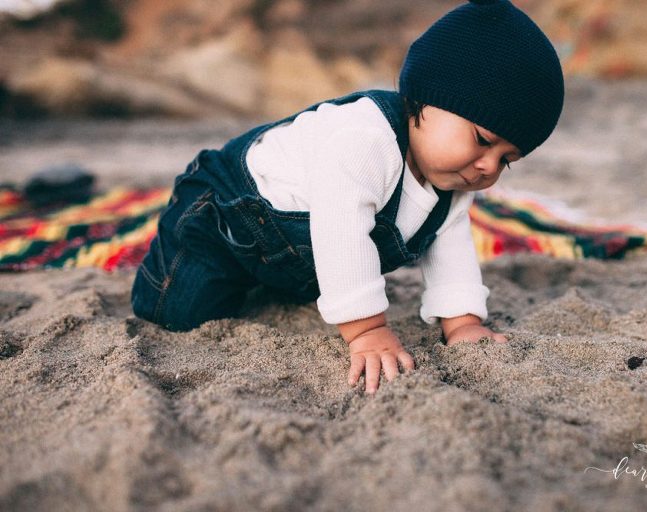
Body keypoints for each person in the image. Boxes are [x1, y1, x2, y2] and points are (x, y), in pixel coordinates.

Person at [131, 0, 564, 394]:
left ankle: (267, 280)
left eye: (508, 159)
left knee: (308, 279)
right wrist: (367, 331)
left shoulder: (451, 184)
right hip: (226, 214)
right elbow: (340, 231)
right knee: (176, 312)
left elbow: (451, 254)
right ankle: (196, 263)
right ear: (425, 99)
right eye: (482, 139)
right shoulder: (364, 138)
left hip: (295, 257)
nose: (488, 166)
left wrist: (463, 322)